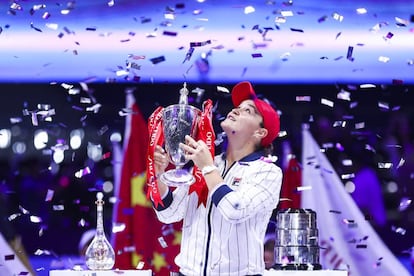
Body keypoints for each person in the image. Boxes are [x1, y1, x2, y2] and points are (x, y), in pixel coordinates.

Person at [150, 81, 283, 275]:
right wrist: (160, 174)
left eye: (249, 111)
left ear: (260, 132)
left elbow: (235, 210)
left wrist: (207, 168)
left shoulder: (267, 172)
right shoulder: (208, 163)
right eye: (237, 107)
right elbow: (169, 214)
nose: (237, 110)